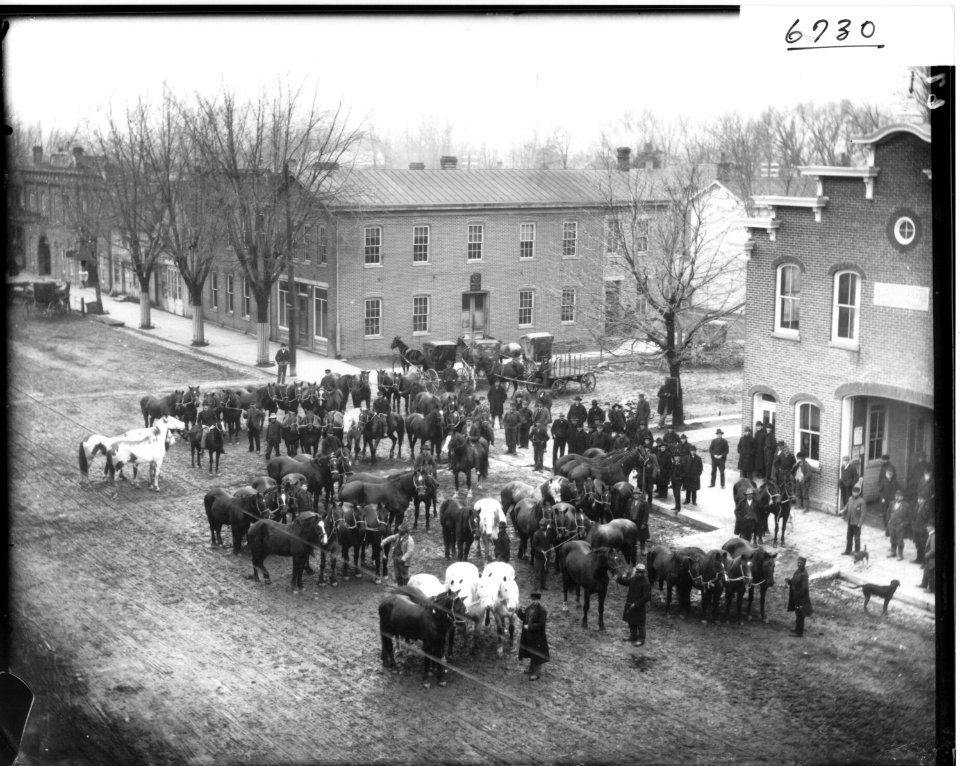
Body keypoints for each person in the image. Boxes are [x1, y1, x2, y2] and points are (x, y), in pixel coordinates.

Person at [517, 592, 549, 681]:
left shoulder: (542, 611)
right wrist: (518, 611)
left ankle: (537, 673)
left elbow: (541, 624)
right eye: (533, 599)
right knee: (531, 651)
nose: (534, 601)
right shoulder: (529, 608)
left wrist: (530, 627)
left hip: (537, 637)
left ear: (538, 600)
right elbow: (524, 617)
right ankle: (531, 668)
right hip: (528, 635)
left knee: (537, 653)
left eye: (535, 600)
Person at [616, 562, 651, 646]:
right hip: (629, 604)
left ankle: (641, 639)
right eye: (637, 571)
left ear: (643, 573)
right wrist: (620, 577)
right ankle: (633, 636)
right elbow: (625, 582)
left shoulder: (646, 583)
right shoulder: (633, 579)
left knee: (640, 623)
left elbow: (647, 597)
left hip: (639, 607)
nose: (637, 573)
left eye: (639, 572)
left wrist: (636, 604)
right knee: (631, 621)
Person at [381, 522, 415, 587]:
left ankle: (406, 588)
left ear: (405, 531)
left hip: (403, 561)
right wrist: (384, 541)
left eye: (401, 530)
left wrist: (403, 558)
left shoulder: (410, 540)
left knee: (404, 575)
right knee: (397, 574)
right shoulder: (398, 536)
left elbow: (410, 552)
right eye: (399, 530)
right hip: (395, 557)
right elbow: (392, 537)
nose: (399, 531)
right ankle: (400, 587)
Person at [785, 556, 812, 637]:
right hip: (796, 597)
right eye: (798, 563)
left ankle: (799, 632)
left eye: (801, 563)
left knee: (800, 614)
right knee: (797, 614)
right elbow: (794, 582)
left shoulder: (804, 575)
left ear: (804, 564)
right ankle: (797, 629)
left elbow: (804, 588)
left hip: (801, 599)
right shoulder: (797, 571)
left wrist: (798, 597)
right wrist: (789, 581)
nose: (799, 564)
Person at [841, 481, 867, 556]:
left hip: (856, 523)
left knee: (857, 538)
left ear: (859, 493)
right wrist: (843, 510)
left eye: (856, 492)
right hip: (850, 521)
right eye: (853, 492)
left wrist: (860, 523)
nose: (854, 493)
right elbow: (847, 506)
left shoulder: (862, 501)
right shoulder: (850, 499)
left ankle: (857, 552)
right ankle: (848, 550)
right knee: (849, 537)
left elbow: (863, 513)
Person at [878, 455, 898, 535]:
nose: (882, 461)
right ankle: (886, 526)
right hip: (884, 490)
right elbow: (880, 476)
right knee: (884, 512)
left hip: (890, 493)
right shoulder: (883, 466)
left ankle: (888, 528)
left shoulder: (891, 467)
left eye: (884, 460)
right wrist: (880, 485)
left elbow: (894, 478)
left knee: (890, 512)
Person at [531, 519, 551, 590]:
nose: (542, 527)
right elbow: (534, 545)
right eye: (541, 525)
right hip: (539, 557)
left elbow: (551, 541)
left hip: (547, 556)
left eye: (544, 526)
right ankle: (536, 587)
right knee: (538, 572)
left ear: (546, 526)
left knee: (545, 571)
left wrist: (558, 537)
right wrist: (541, 550)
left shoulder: (549, 532)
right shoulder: (536, 534)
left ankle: (543, 585)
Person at [919, 522, 935, 593]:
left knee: (930, 573)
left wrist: (926, 555)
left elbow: (933, 550)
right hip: (929, 558)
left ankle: (931, 589)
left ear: (932, 527)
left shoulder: (933, 536)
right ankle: (924, 584)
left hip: (932, 558)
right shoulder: (931, 535)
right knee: (926, 571)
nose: (926, 528)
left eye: (928, 526)